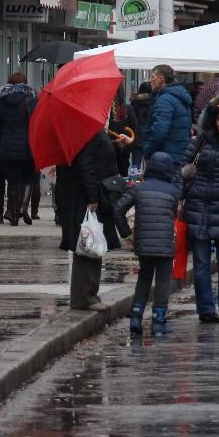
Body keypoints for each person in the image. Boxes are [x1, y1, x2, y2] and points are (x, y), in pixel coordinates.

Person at [182, 96, 219, 324]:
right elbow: (183, 165)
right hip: (199, 207)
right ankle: (206, 309)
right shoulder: (202, 139)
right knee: (201, 265)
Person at [114, 152, 182, 336]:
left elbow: (118, 209)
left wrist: (127, 235)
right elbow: (175, 214)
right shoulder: (173, 192)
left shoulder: (139, 189)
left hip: (143, 243)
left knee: (144, 278)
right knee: (162, 281)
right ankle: (158, 322)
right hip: (165, 244)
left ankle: (136, 317)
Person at [56, 128, 121, 311]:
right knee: (87, 245)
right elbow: (85, 164)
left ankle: (90, 294)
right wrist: (92, 197)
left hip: (91, 195)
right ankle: (84, 297)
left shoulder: (91, 129)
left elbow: (97, 153)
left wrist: (117, 145)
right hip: (86, 198)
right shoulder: (84, 130)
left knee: (92, 246)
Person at [0, 72, 37, 225]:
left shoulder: (2, 101)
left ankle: (13, 215)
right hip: (27, 147)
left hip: (7, 147)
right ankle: (22, 207)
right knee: (28, 178)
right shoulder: (30, 100)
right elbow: (35, 124)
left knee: (12, 180)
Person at [144, 64, 193, 167]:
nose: (150, 81)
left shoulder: (165, 99)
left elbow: (159, 131)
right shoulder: (180, 97)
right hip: (180, 155)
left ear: (161, 79)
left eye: (153, 77)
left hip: (164, 158)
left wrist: (147, 152)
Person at [108, 85, 138, 176]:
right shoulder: (127, 109)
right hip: (119, 156)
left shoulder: (126, 110)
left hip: (117, 156)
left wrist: (126, 142)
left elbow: (135, 135)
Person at [129, 81, 154, 169]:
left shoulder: (135, 102)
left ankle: (134, 178)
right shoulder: (154, 102)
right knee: (151, 160)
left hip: (137, 132)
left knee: (136, 160)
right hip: (149, 132)